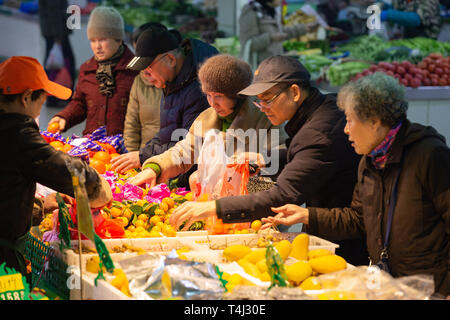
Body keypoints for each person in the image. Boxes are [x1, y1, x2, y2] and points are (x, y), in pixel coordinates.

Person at [260, 72, 449, 297]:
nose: (346, 130)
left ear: (374, 121)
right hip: (391, 286)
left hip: (433, 288)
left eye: (350, 120)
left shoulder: (430, 155)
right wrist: (306, 215)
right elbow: (358, 219)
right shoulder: (369, 161)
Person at [170, 55, 368, 266]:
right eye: (258, 100)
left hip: (344, 234)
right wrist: (264, 159)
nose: (262, 106)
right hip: (327, 219)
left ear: (294, 92)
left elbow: (282, 194)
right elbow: (301, 155)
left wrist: (214, 208)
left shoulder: (319, 132)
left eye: (267, 99)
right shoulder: (321, 109)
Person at [0, 56, 112, 278]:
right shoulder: (17, 133)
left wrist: (39, 206)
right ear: (25, 98)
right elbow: (62, 167)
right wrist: (97, 187)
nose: (41, 110)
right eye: (41, 102)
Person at [127, 54, 287, 191]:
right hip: (219, 210)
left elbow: (276, 176)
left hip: (261, 210)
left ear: (237, 95)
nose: (212, 103)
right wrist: (156, 168)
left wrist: (229, 183)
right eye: (208, 95)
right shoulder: (207, 118)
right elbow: (183, 152)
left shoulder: (266, 119)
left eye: (218, 96)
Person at [112, 24, 219, 188]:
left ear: (170, 59)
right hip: (177, 173)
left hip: (202, 180)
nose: (147, 75)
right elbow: (167, 133)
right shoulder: (173, 80)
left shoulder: (199, 88)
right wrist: (145, 155)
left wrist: (143, 157)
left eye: (149, 67)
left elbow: (190, 145)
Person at [48, 6, 138, 136]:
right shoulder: (87, 69)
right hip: (92, 146)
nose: (97, 46)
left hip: (124, 151)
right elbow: (79, 104)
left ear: (118, 40)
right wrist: (64, 117)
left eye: (102, 39)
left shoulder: (136, 70)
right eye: (92, 40)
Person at [119, 24, 181, 166]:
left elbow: (187, 143)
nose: (146, 72)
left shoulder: (180, 87)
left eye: (149, 64)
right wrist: (135, 157)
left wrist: (145, 158)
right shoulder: (140, 82)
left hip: (170, 164)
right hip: (148, 160)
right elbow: (131, 126)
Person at [239, 0, 319, 69]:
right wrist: (270, 37)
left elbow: (281, 31)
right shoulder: (251, 11)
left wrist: (304, 28)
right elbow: (248, 43)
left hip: (274, 66)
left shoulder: (271, 11)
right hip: (259, 68)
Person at [38, 0, 76, 107]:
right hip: (57, 33)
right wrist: (58, 37)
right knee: (62, 64)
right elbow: (54, 10)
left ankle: (54, 97)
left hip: (53, 31)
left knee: (52, 62)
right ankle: (57, 97)